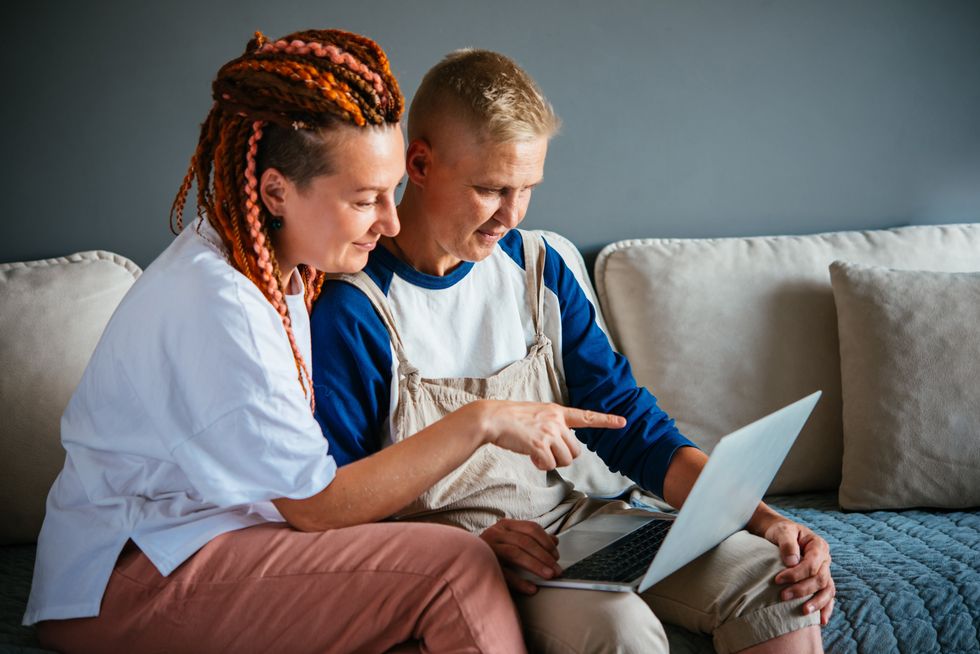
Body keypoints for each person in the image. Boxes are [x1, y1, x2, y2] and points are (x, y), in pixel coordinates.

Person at [23, 31, 627, 654]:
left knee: (427, 591)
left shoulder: (266, 262)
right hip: (129, 577)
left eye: (391, 192)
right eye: (365, 200)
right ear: (277, 191)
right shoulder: (222, 304)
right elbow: (314, 506)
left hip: (218, 541)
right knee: (455, 567)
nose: (390, 221)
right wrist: (481, 420)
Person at [310, 49, 837, 654]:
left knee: (777, 582)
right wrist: (462, 553)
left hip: (580, 525)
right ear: (420, 164)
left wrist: (764, 519)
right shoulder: (353, 310)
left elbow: (628, 424)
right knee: (620, 629)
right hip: (472, 558)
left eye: (527, 189)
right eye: (490, 189)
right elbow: (344, 508)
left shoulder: (541, 269)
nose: (510, 215)